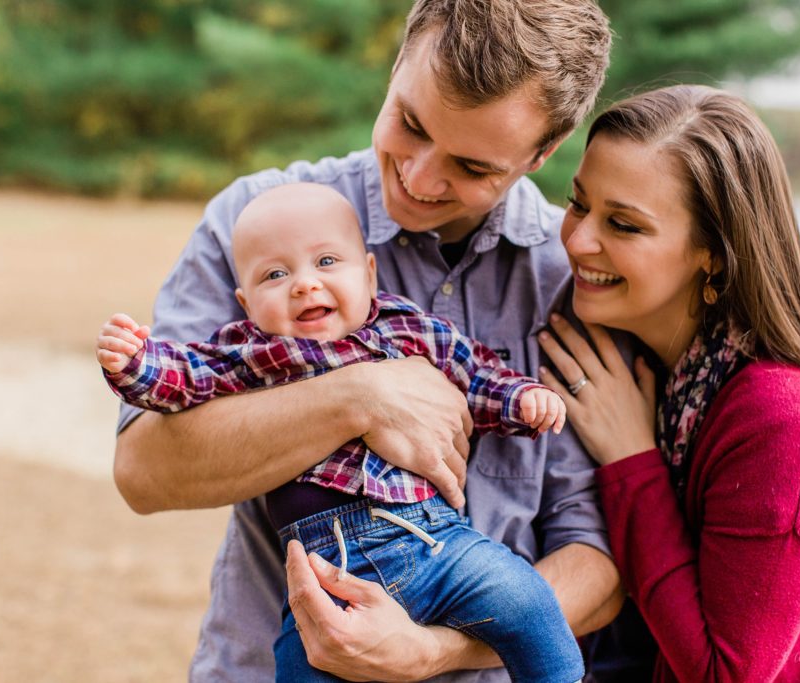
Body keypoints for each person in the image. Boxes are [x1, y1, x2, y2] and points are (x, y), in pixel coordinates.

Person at [110, 1, 633, 681]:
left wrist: (429, 652)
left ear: (542, 153)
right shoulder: (257, 224)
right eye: (410, 123)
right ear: (396, 65)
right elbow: (146, 472)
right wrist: (360, 396)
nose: (418, 177)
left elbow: (599, 559)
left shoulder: (573, 281)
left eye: (472, 167)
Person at [97, 182, 581, 682]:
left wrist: (522, 398)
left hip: (436, 543)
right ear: (246, 302)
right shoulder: (250, 353)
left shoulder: (409, 329)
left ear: (368, 274)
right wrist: (134, 363)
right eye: (275, 274)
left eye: (327, 262)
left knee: (529, 603)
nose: (305, 284)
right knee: (299, 663)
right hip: (325, 570)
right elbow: (183, 379)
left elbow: (476, 374)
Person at [536, 84, 800, 681]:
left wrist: (630, 461)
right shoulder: (629, 356)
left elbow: (728, 673)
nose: (578, 239)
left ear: (713, 253)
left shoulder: (785, 415)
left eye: (624, 224)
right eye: (577, 203)